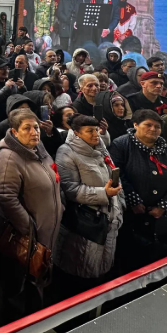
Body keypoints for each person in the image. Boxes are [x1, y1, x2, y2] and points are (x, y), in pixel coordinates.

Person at [0, 109, 63, 311]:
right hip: (29, 237)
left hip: (45, 231)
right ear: (15, 132)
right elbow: (6, 197)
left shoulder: (37, 148)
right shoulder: (9, 158)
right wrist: (29, 227)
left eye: (36, 127)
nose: (34, 132)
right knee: (23, 285)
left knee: (40, 276)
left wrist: (61, 205)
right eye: (27, 128)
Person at [53, 115, 124, 295]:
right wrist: (104, 194)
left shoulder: (99, 146)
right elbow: (71, 189)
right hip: (86, 223)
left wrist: (120, 202)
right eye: (89, 131)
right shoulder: (66, 152)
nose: (95, 134)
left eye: (96, 130)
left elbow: (113, 171)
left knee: (102, 269)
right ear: (76, 133)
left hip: (110, 217)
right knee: (81, 272)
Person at [109, 109, 167, 271]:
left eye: (157, 126)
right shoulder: (121, 144)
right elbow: (116, 174)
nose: (153, 129)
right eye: (148, 125)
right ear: (135, 125)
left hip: (160, 219)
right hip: (131, 217)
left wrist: (164, 206)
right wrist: (133, 200)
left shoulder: (166, 149)